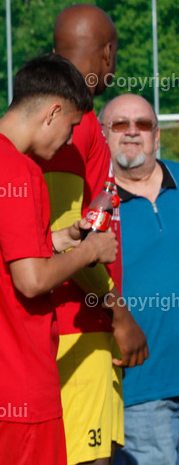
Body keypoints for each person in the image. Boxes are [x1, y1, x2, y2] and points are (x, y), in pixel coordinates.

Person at [0, 53, 119, 465]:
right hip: (15, 382)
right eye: (69, 128)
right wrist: (90, 251)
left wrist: (60, 238)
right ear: (53, 112)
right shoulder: (19, 170)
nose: (67, 142)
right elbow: (30, 281)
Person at [41, 5, 148, 465]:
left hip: (57, 324)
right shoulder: (75, 122)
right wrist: (119, 315)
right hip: (77, 325)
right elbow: (67, 234)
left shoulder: (46, 114)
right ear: (107, 54)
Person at [99, 94, 178, 465]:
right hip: (142, 386)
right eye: (120, 125)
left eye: (143, 124)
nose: (132, 132)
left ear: (156, 136)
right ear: (103, 137)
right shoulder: (94, 204)